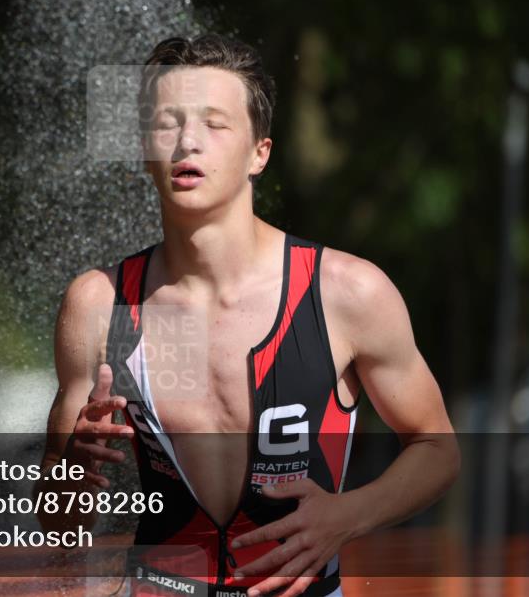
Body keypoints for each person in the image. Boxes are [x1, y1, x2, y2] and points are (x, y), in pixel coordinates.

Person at [37, 34, 460, 597]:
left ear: (260, 153)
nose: (188, 141)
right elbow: (58, 527)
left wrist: (348, 515)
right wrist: (73, 473)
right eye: (167, 124)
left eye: (215, 124)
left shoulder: (346, 292)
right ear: (143, 149)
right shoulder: (99, 304)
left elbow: (437, 448)